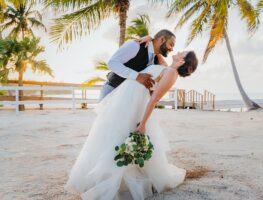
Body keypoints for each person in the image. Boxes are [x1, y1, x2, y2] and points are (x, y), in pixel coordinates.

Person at [65, 51, 198, 200]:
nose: (178, 51)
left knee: (121, 138)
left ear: (182, 61)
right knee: (111, 135)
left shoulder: (172, 73)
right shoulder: (167, 67)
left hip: (136, 105)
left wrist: (142, 124)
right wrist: (148, 38)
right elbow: (157, 50)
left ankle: (119, 181)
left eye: (183, 53)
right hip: (127, 100)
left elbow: (154, 99)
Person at [99, 29, 176, 101]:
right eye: (171, 44)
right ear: (162, 39)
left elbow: (167, 72)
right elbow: (112, 63)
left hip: (127, 97)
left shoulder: (156, 58)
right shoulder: (136, 45)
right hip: (112, 90)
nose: (172, 49)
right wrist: (137, 76)